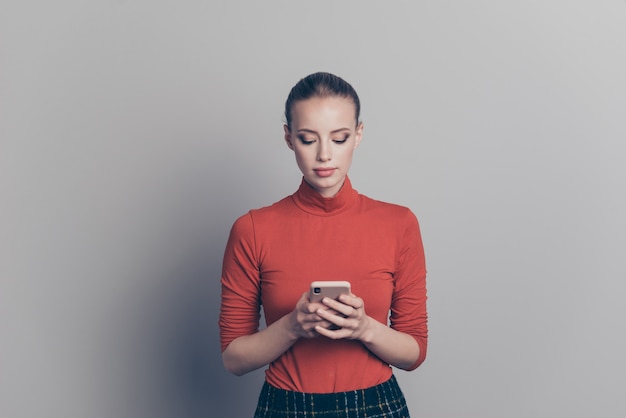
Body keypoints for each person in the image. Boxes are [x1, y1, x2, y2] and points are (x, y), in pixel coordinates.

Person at [219, 72, 428, 417]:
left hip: (375, 405)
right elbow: (233, 358)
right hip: (285, 407)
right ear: (288, 138)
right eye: (307, 138)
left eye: (340, 137)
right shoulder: (253, 229)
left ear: (358, 135)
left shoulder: (399, 224)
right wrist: (292, 326)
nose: (324, 154)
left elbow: (414, 352)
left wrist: (364, 328)